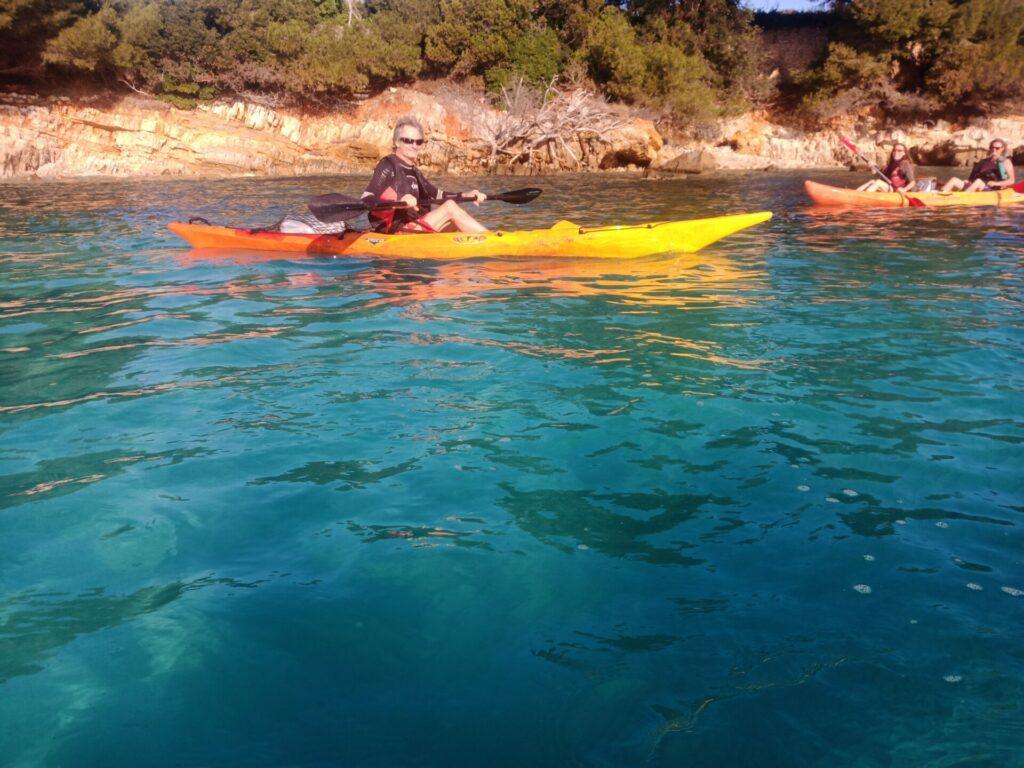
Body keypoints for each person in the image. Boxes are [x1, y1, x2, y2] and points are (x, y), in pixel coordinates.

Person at [361, 116, 487, 234]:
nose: (414, 146)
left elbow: (439, 195)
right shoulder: (387, 166)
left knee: (455, 220)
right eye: (408, 141)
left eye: (418, 142)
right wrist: (398, 200)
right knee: (449, 208)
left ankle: (487, 242)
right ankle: (493, 241)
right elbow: (367, 198)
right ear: (396, 142)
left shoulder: (415, 173)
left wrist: (465, 195)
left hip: (415, 228)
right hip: (396, 233)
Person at [941, 139, 1016, 192]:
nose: (994, 150)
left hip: (991, 187)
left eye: (997, 148)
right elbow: (972, 178)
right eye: (992, 147)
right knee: (954, 180)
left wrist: (995, 183)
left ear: (1002, 149)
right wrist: (968, 181)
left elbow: (1011, 180)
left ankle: (964, 198)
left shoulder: (1006, 161)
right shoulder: (983, 161)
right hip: (975, 186)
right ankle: (940, 195)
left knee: (978, 181)